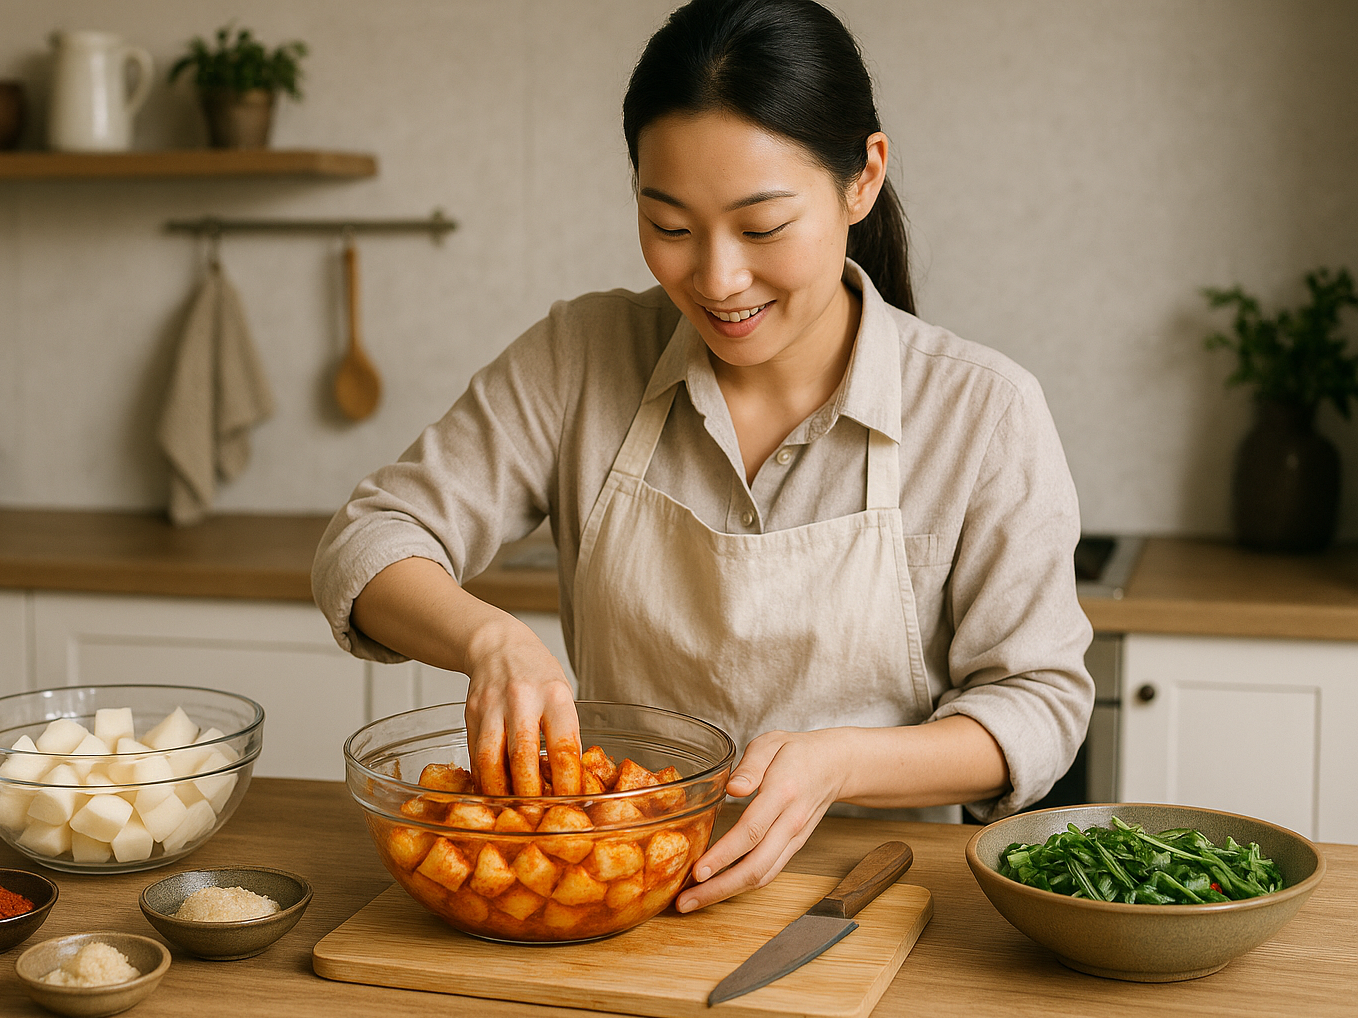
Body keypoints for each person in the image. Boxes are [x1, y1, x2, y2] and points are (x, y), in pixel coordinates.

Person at [313, 0, 1093, 913]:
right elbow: (369, 539)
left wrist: (841, 763)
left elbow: (1038, 705)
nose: (718, 280)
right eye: (671, 227)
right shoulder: (581, 355)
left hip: (867, 901)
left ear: (863, 179)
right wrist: (489, 640)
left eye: (762, 229)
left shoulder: (983, 411)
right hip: (605, 894)